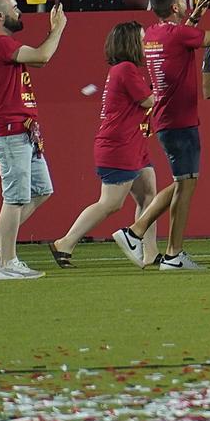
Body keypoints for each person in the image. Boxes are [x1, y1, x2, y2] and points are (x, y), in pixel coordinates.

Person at [121, 0, 210, 270]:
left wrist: (195, 15)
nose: (185, 1)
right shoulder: (179, 34)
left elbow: (180, 38)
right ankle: (148, 239)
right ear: (174, 6)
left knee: (183, 183)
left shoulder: (155, 35)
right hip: (181, 122)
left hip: (165, 119)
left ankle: (164, 248)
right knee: (185, 186)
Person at [46, 21, 157, 270]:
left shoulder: (125, 70)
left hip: (132, 144)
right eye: (141, 39)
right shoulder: (126, 69)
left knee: (149, 194)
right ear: (130, 43)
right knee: (111, 203)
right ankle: (65, 242)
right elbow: (149, 101)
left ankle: (151, 253)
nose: (146, 44)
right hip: (120, 145)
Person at [0, 0, 66, 281]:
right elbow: (42, 56)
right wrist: (59, 28)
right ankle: (7, 263)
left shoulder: (1, 45)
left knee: (41, 190)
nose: (19, 11)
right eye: (14, 8)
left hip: (22, 132)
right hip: (10, 132)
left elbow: (37, 60)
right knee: (14, 198)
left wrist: (53, 32)